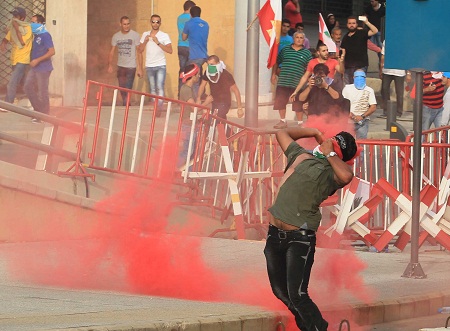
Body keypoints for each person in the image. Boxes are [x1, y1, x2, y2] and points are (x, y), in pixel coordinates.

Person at [265, 126, 357, 331]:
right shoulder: (302, 155)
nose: (325, 142)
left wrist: (330, 154)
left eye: (333, 143)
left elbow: (347, 176)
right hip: (275, 235)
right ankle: (314, 326)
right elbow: (281, 133)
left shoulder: (330, 173)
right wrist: (312, 132)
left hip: (299, 238)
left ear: (337, 152)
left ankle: (318, 329)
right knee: (280, 291)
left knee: (298, 295)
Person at [271, 32, 312, 129]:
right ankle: (282, 121)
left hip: (297, 84)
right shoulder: (285, 50)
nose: (298, 39)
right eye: (297, 37)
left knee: (298, 104)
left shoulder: (307, 53)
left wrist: (308, 79)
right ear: (293, 39)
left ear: (304, 40)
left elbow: (310, 68)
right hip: (283, 81)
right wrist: (273, 74)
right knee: (280, 102)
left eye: (301, 38)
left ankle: (300, 122)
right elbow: (277, 62)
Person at [177, 63, 210, 170]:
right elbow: (193, 107)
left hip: (192, 124)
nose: (199, 76)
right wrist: (207, 103)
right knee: (188, 151)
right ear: (193, 75)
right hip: (188, 125)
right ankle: (173, 171)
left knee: (192, 153)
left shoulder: (189, 89)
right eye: (198, 74)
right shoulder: (186, 89)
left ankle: (187, 175)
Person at [138, 14, 173, 116]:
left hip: (161, 65)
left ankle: (159, 108)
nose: (155, 24)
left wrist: (158, 42)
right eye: (153, 21)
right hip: (149, 65)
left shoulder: (164, 35)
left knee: (160, 87)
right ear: (150, 22)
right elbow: (139, 50)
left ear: (160, 23)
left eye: (157, 22)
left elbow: (170, 50)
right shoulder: (145, 34)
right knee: (152, 88)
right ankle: (155, 107)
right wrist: (144, 42)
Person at [24, 14, 55, 123]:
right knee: (27, 87)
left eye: (34, 22)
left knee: (42, 92)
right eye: (31, 22)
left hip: (43, 68)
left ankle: (44, 115)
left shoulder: (45, 35)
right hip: (35, 68)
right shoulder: (36, 35)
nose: (32, 24)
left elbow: (52, 51)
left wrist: (37, 60)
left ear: (40, 23)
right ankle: (38, 111)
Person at [0, 7, 32, 110]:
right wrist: (3, 44)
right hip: (14, 59)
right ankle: (32, 102)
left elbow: (22, 42)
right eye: (13, 16)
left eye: (16, 16)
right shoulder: (13, 29)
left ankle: (8, 104)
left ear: (22, 18)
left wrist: (16, 26)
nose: (13, 18)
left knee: (12, 83)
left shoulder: (27, 28)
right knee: (23, 83)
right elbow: (6, 39)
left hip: (22, 60)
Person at [196, 55, 244, 121]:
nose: (210, 67)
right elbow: (202, 85)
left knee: (214, 120)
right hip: (214, 102)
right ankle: (228, 131)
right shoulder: (207, 73)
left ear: (218, 64)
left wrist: (239, 108)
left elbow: (236, 90)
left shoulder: (226, 75)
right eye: (208, 64)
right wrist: (198, 98)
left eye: (212, 64)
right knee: (221, 124)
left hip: (224, 103)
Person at [107, 16, 142, 106]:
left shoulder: (135, 35)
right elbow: (112, 51)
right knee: (122, 87)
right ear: (120, 24)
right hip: (121, 66)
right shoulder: (116, 36)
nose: (126, 26)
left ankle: (126, 104)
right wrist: (110, 65)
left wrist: (140, 68)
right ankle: (125, 102)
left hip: (131, 66)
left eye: (128, 24)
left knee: (128, 86)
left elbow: (139, 52)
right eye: (124, 24)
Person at [340, 16, 378, 84]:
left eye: (353, 23)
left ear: (357, 24)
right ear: (347, 25)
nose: (351, 25)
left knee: (359, 86)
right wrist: (342, 66)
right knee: (348, 88)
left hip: (361, 66)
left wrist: (366, 22)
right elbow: (343, 53)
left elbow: (375, 31)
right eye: (350, 23)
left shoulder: (361, 32)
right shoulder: (345, 37)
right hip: (348, 67)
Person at [182, 5, 209, 98]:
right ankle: (201, 96)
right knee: (200, 78)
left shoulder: (188, 23)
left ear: (191, 14)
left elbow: (184, 37)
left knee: (194, 81)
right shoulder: (206, 24)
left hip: (194, 56)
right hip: (204, 55)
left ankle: (196, 102)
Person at [379, 40, 411, 118]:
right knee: (384, 89)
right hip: (387, 70)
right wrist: (381, 69)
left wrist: (408, 73)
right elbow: (383, 55)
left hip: (399, 71)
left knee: (399, 92)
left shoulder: (403, 41)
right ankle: (386, 110)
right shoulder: (386, 41)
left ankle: (399, 111)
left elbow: (407, 57)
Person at [342, 70, 377, 139]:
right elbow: (342, 103)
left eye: (362, 77)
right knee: (348, 142)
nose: (360, 78)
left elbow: (373, 107)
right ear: (353, 77)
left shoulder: (369, 90)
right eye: (357, 76)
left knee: (361, 143)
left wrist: (362, 116)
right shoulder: (347, 88)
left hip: (363, 122)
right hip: (349, 121)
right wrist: (348, 113)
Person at [177, 1, 196, 97]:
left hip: (180, 45)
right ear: (190, 8)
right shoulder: (191, 18)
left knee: (182, 71)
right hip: (189, 46)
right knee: (192, 71)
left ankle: (180, 95)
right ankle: (191, 95)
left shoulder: (179, 18)